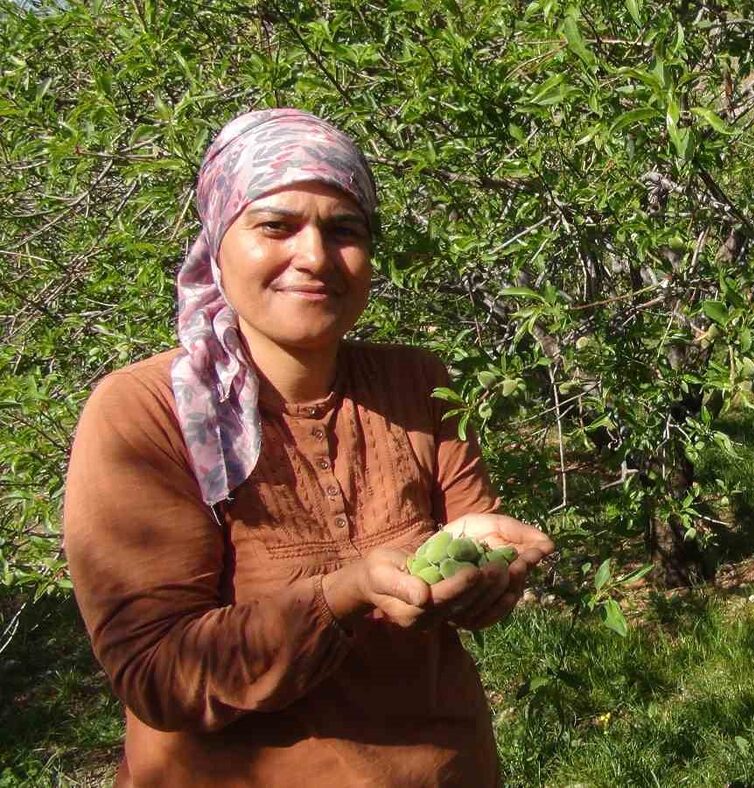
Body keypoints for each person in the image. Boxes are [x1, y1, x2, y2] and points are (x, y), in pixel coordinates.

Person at [63, 108, 553, 786]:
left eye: (344, 230)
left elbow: (474, 545)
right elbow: (157, 673)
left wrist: (494, 574)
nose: (315, 257)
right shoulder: (145, 413)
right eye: (275, 225)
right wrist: (341, 597)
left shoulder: (417, 381)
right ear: (216, 242)